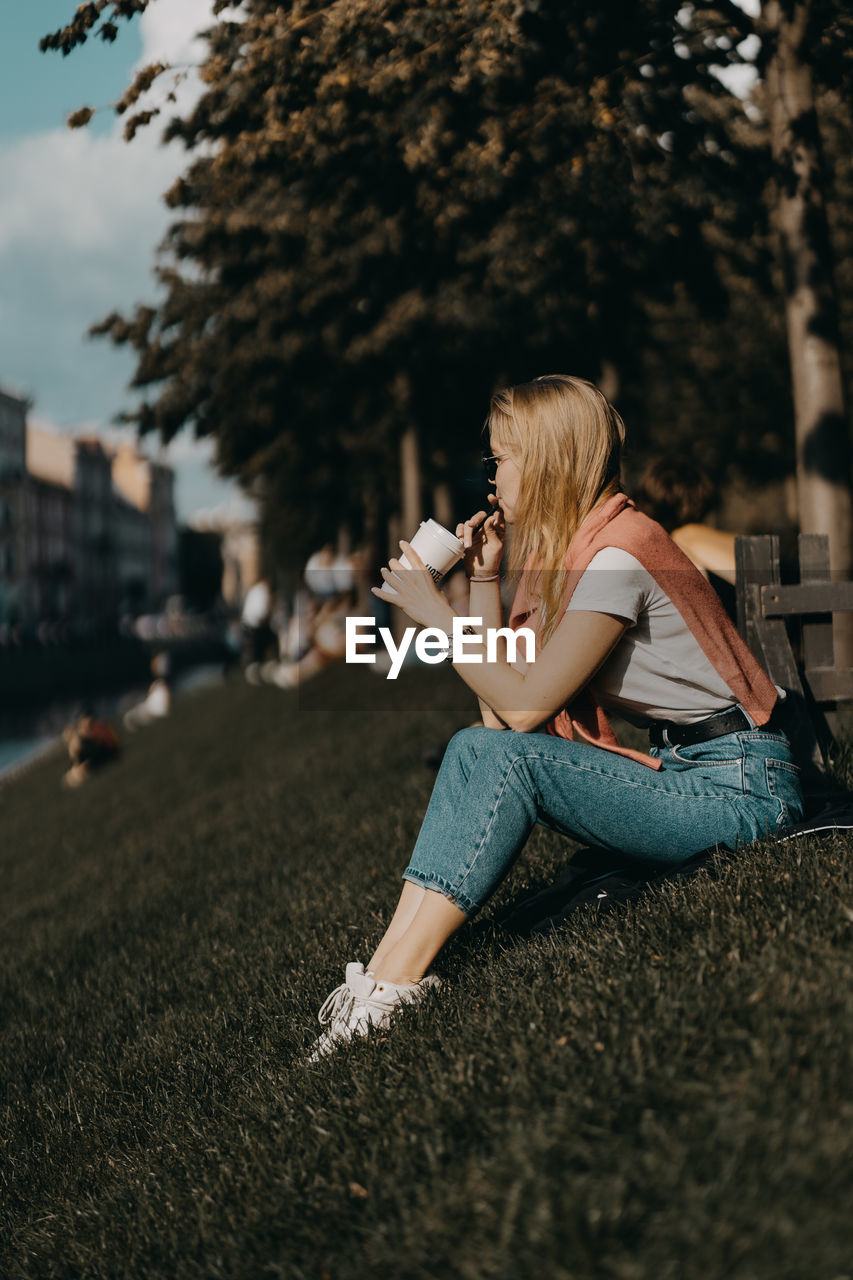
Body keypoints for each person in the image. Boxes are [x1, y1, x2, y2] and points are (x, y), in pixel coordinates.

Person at [309, 374, 804, 1059]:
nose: (491, 478)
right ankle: (382, 983)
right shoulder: (577, 554)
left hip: (741, 788)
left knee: (492, 756)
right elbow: (499, 714)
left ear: (543, 460)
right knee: (474, 750)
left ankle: (390, 990)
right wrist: (483, 580)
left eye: (498, 460)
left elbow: (522, 708)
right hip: (697, 768)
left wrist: (434, 616)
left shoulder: (616, 556)